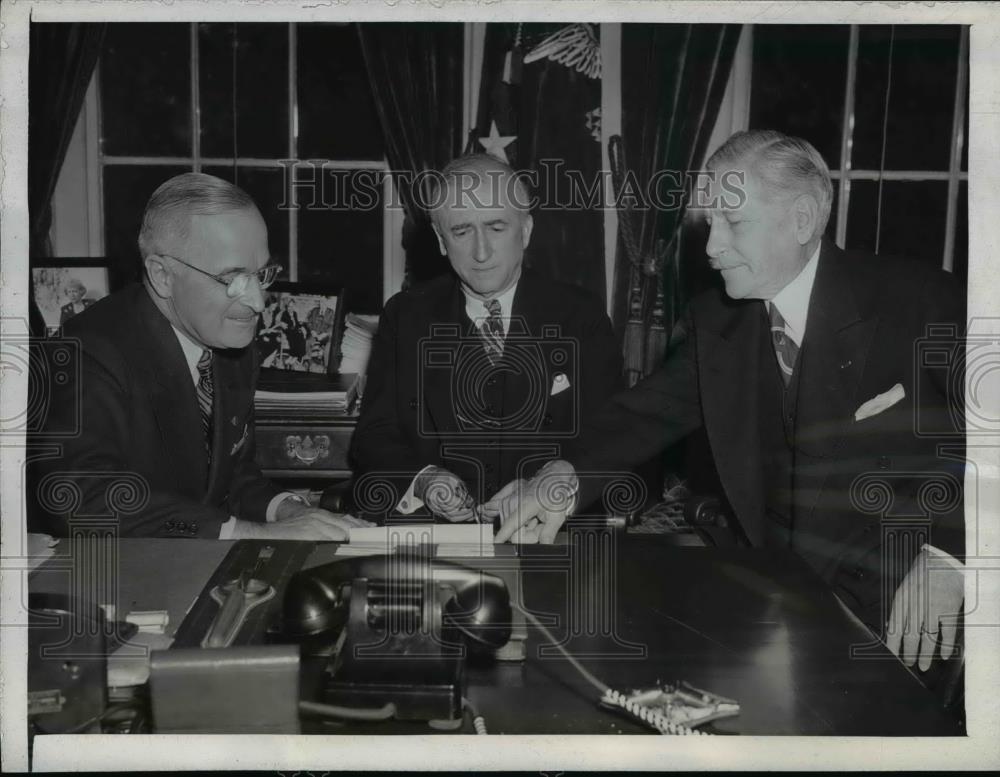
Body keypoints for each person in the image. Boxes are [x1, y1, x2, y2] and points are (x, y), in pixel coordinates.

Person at [490, 130, 966, 674]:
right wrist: (561, 479)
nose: (712, 246)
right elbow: (643, 415)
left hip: (901, 610)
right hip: (771, 600)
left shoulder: (921, 300)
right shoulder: (716, 319)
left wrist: (950, 555)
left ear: (803, 221)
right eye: (709, 221)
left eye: (733, 222)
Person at [31, 172, 370, 540]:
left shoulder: (230, 342)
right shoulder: (85, 354)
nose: (257, 302)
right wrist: (252, 532)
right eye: (232, 279)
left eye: (261, 275)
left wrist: (290, 511)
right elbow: (82, 502)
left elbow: (232, 475)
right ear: (162, 275)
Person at [349, 153, 621, 522]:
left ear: (525, 232)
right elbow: (374, 436)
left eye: (496, 228)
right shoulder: (406, 316)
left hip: (550, 531)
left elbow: (610, 440)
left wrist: (548, 489)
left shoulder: (581, 316)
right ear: (441, 241)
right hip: (437, 536)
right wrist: (424, 481)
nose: (481, 252)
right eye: (461, 231)